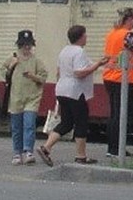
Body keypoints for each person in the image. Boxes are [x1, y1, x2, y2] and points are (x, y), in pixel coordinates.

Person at [37, 25, 109, 166]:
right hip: (75, 92)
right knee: (81, 122)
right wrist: (98, 65)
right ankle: (80, 155)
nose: (87, 37)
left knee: (66, 123)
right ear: (81, 37)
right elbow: (79, 72)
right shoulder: (79, 52)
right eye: (85, 35)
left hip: (62, 89)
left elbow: (59, 71)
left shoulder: (64, 51)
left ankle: (46, 147)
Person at [102, 8, 133, 159]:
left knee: (114, 113)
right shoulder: (128, 36)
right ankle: (116, 149)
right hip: (123, 79)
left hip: (110, 77)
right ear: (129, 19)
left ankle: (113, 148)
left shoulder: (112, 34)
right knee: (121, 115)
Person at [2, 29, 47, 165]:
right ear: (19, 45)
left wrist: (33, 76)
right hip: (16, 98)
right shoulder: (12, 58)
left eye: (29, 45)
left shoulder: (36, 61)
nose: (27, 47)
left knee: (29, 124)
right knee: (16, 126)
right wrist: (11, 66)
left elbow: (43, 77)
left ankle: (28, 151)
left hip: (32, 98)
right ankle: (17, 152)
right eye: (24, 45)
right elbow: (4, 73)